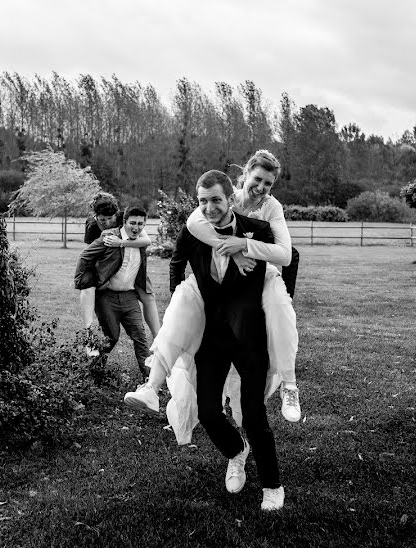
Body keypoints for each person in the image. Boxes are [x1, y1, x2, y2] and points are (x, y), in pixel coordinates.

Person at [124, 149, 302, 423]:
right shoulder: (218, 198)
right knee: (183, 301)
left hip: (256, 275)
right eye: (258, 179)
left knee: (279, 307)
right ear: (245, 175)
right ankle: (151, 387)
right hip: (216, 275)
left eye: (269, 183)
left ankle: (289, 387)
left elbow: (286, 255)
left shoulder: (271, 207)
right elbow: (195, 226)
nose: (262, 188)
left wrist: (244, 245)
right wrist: (234, 252)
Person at [169, 170, 285, 510]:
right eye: (202, 201)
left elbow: (288, 261)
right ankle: (237, 452)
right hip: (211, 335)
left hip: (250, 336)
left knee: (253, 413)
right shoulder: (193, 234)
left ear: (231, 197)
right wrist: (180, 300)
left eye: (216, 200)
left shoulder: (257, 231)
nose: (209, 208)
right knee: (207, 411)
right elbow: (176, 265)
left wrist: (281, 301)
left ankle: (272, 486)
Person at [79, 193, 161, 357]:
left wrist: (121, 242)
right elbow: (91, 254)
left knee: (148, 296)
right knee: (88, 287)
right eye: (102, 220)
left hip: (131, 263)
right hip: (105, 265)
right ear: (96, 217)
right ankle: (88, 335)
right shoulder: (92, 226)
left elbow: (146, 241)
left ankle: (159, 340)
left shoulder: (125, 217)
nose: (107, 223)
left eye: (110, 219)